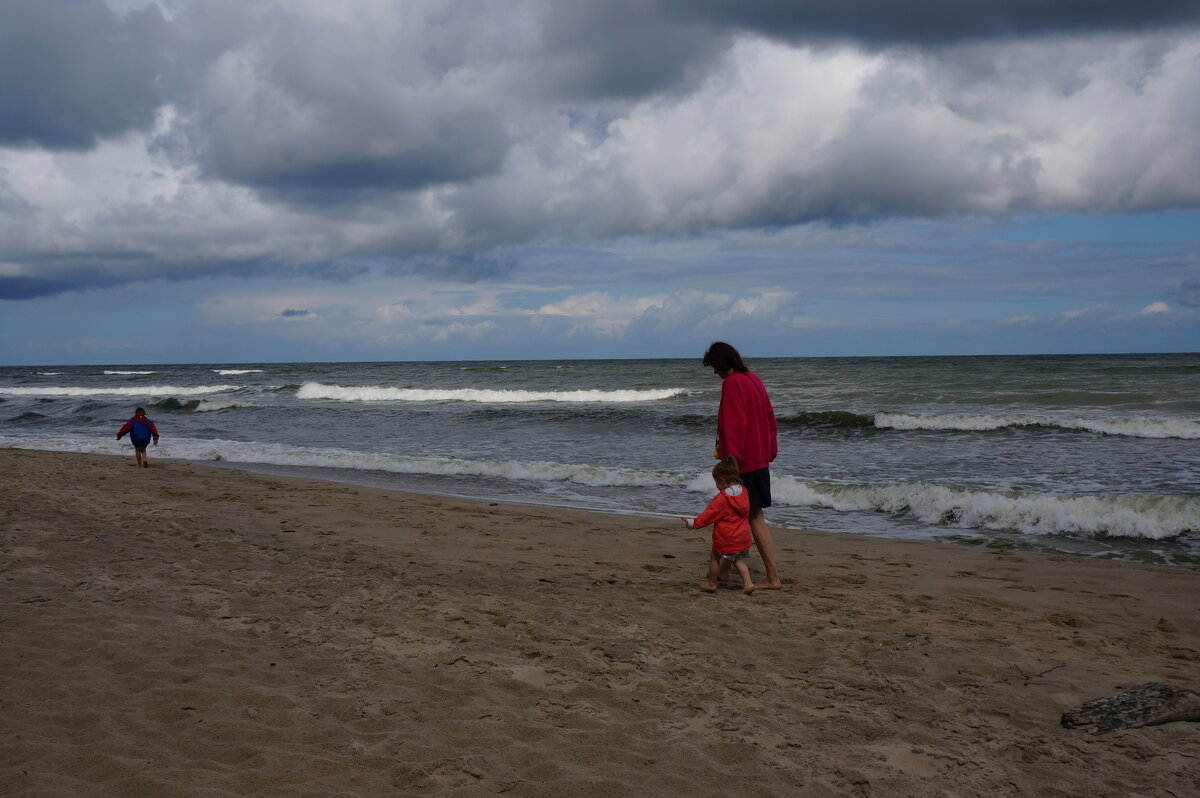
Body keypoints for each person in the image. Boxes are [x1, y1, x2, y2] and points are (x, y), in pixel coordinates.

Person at [702, 341, 782, 589]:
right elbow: (770, 416)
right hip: (759, 456)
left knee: (753, 516)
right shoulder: (754, 379)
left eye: (714, 366)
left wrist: (732, 458)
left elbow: (736, 423)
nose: (714, 372)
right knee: (740, 514)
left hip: (744, 460)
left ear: (722, 363)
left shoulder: (732, 383)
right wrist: (771, 448)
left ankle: (772, 577)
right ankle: (725, 572)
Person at [682, 457, 755, 595]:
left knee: (715, 557)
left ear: (722, 480)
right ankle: (742, 581)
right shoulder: (743, 491)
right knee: (738, 560)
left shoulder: (722, 498)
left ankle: (712, 583)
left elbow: (709, 515)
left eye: (716, 482)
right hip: (743, 535)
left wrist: (693, 523)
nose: (716, 485)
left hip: (726, 537)